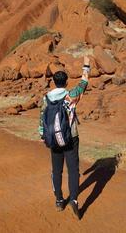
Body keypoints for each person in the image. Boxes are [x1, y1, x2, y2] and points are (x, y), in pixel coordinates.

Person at [38, 55, 90, 219]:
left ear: (54, 82)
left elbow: (42, 118)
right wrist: (86, 66)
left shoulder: (46, 98)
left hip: (53, 139)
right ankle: (74, 200)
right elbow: (84, 83)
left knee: (57, 170)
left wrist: (43, 135)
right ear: (66, 82)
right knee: (73, 170)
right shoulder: (71, 94)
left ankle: (59, 200)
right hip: (71, 137)